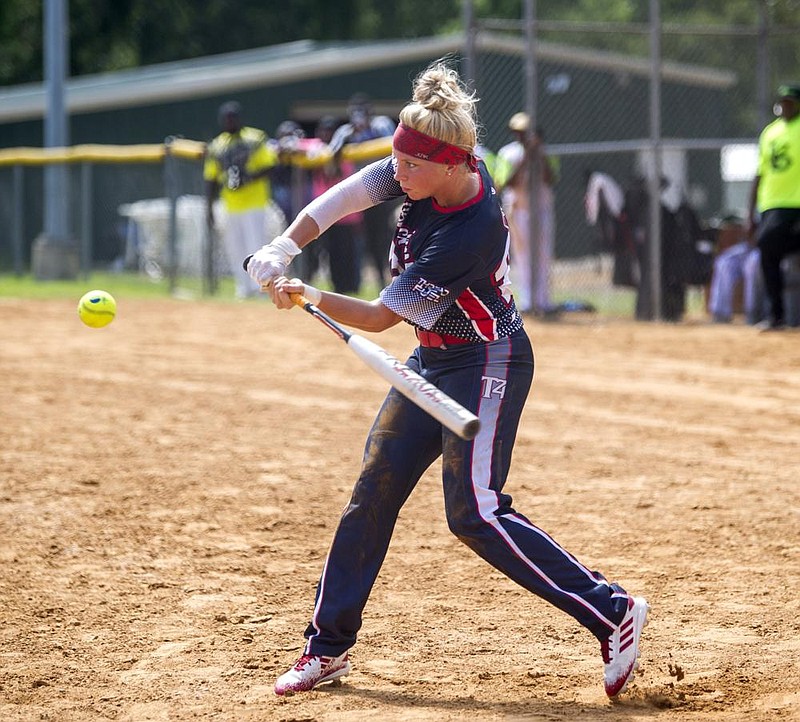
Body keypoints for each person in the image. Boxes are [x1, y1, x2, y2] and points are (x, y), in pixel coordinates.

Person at [245, 61, 648, 699]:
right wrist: (284, 245)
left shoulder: (471, 229)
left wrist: (306, 292)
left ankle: (612, 611)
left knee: (474, 513)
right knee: (373, 490)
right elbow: (348, 194)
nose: (396, 176)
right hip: (432, 359)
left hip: (488, 360)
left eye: (410, 168)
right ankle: (326, 648)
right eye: (398, 165)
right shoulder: (426, 168)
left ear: (455, 165)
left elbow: (379, 317)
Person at [204, 101, 278, 299]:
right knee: (235, 248)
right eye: (226, 118)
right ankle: (243, 288)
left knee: (256, 246)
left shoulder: (255, 137)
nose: (230, 121)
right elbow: (211, 179)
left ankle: (261, 287)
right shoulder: (217, 145)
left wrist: (249, 177)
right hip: (230, 204)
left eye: (233, 117)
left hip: (254, 202)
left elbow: (271, 166)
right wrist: (209, 209)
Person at [328, 92, 398, 288]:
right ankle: (365, 279)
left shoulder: (380, 124)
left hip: (386, 189)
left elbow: (393, 145)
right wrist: (349, 139)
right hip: (359, 191)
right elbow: (332, 154)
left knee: (384, 235)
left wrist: (366, 132)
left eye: (363, 111)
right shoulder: (345, 131)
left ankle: (385, 277)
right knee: (362, 239)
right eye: (356, 112)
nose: (360, 116)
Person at [747, 82, 800, 331]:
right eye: (784, 102)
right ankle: (776, 316)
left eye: (791, 102)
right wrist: (750, 212)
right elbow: (759, 173)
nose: (786, 106)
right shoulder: (769, 132)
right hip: (773, 206)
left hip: (796, 205)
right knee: (767, 248)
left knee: (769, 244)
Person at [495, 113, 559, 315]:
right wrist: (525, 159)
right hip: (519, 210)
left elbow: (551, 179)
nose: (523, 136)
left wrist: (538, 155)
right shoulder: (508, 153)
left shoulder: (546, 152)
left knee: (543, 254)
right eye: (520, 132)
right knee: (522, 256)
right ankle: (527, 301)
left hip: (541, 209)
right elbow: (506, 183)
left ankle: (543, 301)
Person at [307, 115, 363, 294]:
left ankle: (352, 287)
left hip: (347, 214)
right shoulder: (318, 150)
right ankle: (338, 287)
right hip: (324, 215)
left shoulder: (346, 150)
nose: (325, 134)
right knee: (331, 253)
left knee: (349, 252)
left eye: (329, 131)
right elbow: (300, 145)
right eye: (323, 130)